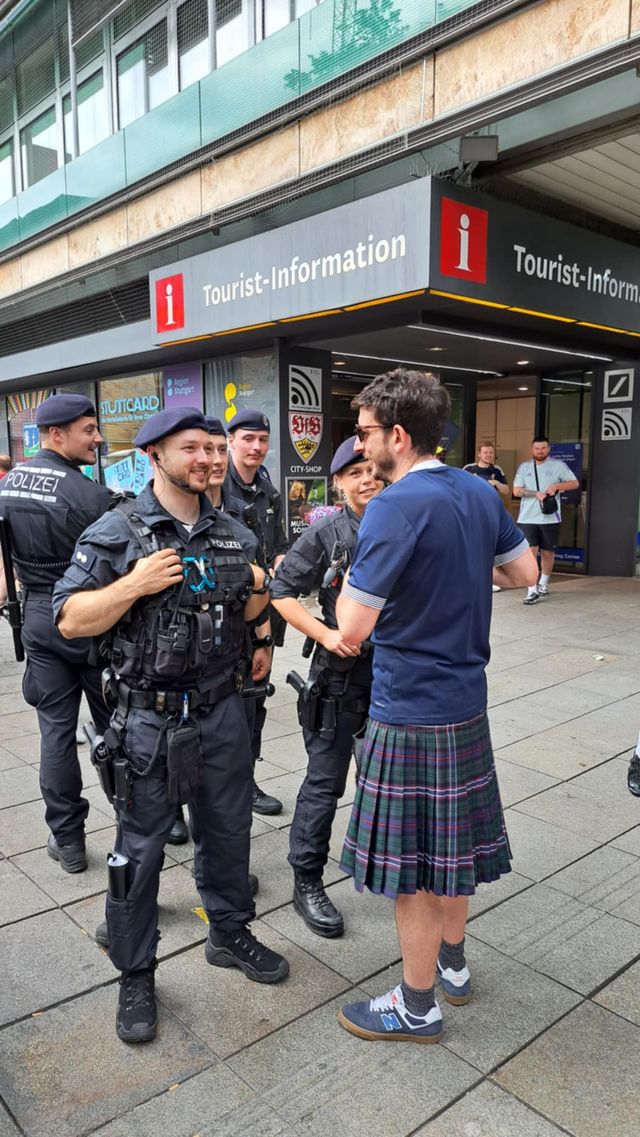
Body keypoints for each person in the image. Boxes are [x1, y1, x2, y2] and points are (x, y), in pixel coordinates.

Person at [53, 407, 289, 1045]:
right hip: (146, 722)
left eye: (216, 449)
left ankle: (229, 932)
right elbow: (70, 619)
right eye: (195, 449)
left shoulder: (235, 532)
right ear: (154, 454)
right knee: (140, 850)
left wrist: (264, 605)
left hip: (222, 710)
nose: (211, 459)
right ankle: (135, 972)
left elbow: (245, 607)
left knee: (228, 830)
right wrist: (131, 585)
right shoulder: (117, 531)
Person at [332, 369, 537, 1044]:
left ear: (397, 433)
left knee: (414, 869)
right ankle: (451, 963)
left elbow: (353, 627)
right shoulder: (478, 491)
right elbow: (524, 573)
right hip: (464, 702)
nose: (360, 447)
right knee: (451, 850)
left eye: (363, 433)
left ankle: (417, 1005)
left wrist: (346, 590)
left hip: (410, 706)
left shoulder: (394, 505)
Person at [271, 438, 383, 937]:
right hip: (339, 680)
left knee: (387, 784)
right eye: (355, 472)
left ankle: (386, 870)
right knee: (325, 782)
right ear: (338, 482)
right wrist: (326, 635)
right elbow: (281, 591)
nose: (367, 479)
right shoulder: (328, 533)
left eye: (373, 469)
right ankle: (307, 880)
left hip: (397, 679)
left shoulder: (404, 521)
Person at [0, 394, 112, 874]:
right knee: (120, 728)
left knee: (56, 736)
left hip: (41, 616)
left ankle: (67, 840)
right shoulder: (90, 495)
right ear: (56, 434)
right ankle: (154, 818)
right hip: (92, 618)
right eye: (89, 429)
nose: (98, 438)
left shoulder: (7, 486)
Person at [225, 408, 290, 816]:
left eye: (262, 440)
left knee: (255, 696)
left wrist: (283, 560)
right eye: (248, 439)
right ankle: (179, 802)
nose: (256, 447)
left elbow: (280, 541)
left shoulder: (268, 488)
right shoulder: (215, 488)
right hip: (226, 612)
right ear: (231, 440)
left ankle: (246, 782)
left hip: (263, 609)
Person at [513, 436, 579, 605]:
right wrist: (536, 493)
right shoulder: (524, 467)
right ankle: (531, 589)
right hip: (527, 518)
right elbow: (516, 490)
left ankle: (543, 583)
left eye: (543, 448)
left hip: (550, 518)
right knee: (530, 553)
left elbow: (574, 483)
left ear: (548, 449)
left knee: (548, 553)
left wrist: (557, 486)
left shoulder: (558, 466)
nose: (540, 451)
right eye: (536, 448)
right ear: (532, 450)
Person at [464, 442, 510, 592]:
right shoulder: (469, 469)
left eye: (491, 452)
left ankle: (488, 580)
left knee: (489, 547)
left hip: (490, 514)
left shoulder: (497, 470)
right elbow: (459, 488)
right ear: (479, 454)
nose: (488, 455)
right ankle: (468, 579)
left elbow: (507, 491)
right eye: (485, 452)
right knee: (471, 546)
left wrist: (495, 482)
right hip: (471, 513)